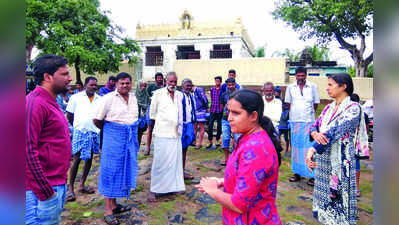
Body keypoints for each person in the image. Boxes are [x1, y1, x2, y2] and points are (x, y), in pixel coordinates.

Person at [196, 89, 282, 225]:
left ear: (253, 116)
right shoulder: (247, 138)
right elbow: (251, 178)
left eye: (236, 113)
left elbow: (239, 205)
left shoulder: (256, 147)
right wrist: (223, 181)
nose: (229, 117)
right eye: (229, 111)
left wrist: (212, 190)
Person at [305, 73, 367, 225]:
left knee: (341, 200)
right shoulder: (328, 108)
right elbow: (315, 126)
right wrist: (314, 133)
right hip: (323, 162)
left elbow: (333, 132)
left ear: (343, 86)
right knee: (324, 200)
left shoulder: (353, 109)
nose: (327, 88)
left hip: (341, 164)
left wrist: (312, 150)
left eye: (330, 85)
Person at [26, 54, 73, 224]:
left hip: (53, 186)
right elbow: (25, 151)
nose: (70, 78)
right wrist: (46, 192)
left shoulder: (51, 102)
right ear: (48, 77)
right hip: (39, 193)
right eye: (65, 74)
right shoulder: (35, 104)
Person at [93, 72, 139, 225]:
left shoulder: (133, 98)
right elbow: (97, 120)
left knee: (123, 170)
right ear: (116, 84)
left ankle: (114, 204)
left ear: (131, 83)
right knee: (110, 171)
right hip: (113, 139)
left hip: (129, 139)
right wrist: (112, 131)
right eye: (122, 83)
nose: (125, 85)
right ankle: (108, 211)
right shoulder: (107, 99)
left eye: (127, 83)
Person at [148, 72, 185, 202]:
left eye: (175, 82)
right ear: (166, 81)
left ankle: (171, 187)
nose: (173, 84)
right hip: (162, 133)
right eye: (171, 82)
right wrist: (153, 132)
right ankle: (154, 190)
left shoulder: (180, 95)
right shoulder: (158, 94)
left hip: (176, 134)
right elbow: (152, 115)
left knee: (174, 162)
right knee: (159, 162)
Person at [65, 76, 101, 202]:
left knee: (90, 158)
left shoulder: (99, 99)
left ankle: (82, 184)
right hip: (80, 132)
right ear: (85, 85)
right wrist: (78, 126)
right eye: (91, 85)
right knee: (76, 159)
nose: (94, 87)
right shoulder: (75, 98)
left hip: (94, 132)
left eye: (95, 85)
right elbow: (69, 115)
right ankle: (70, 189)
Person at [285, 66, 320, 186]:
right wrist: (296, 116)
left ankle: (311, 175)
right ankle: (297, 173)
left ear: (306, 75)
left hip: (309, 123)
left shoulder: (313, 87)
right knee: (296, 148)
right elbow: (289, 104)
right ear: (295, 76)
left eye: (302, 75)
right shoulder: (290, 87)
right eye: (298, 76)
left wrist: (308, 117)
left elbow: (315, 104)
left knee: (309, 148)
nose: (300, 78)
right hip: (295, 122)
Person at [350, 93, 370, 197]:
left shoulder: (350, 112)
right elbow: (365, 130)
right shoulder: (364, 114)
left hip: (352, 143)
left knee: (352, 164)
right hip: (357, 144)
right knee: (355, 165)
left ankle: (355, 187)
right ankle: (356, 188)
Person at [220, 77, 238, 166]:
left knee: (237, 139)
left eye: (232, 85)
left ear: (235, 84)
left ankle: (235, 159)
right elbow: (222, 107)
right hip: (225, 120)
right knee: (225, 139)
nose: (230, 86)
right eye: (229, 85)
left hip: (236, 120)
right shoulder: (224, 95)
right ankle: (227, 159)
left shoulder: (239, 94)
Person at [180, 78, 197, 180]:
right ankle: (177, 172)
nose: (189, 87)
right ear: (182, 86)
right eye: (187, 85)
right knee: (178, 149)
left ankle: (182, 170)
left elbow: (192, 110)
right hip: (181, 126)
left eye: (190, 86)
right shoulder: (179, 96)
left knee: (185, 149)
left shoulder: (190, 96)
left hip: (189, 125)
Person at [145, 72, 164, 155]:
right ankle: (148, 148)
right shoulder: (151, 87)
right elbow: (147, 96)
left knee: (160, 129)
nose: (160, 79)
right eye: (158, 78)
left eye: (161, 78)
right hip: (151, 109)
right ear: (155, 79)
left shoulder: (165, 87)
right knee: (150, 129)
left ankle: (159, 149)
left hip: (161, 110)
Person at [206, 76, 223, 149]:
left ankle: (217, 140)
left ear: (220, 82)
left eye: (218, 81)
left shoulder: (222, 90)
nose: (217, 82)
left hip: (220, 110)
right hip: (213, 110)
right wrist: (209, 108)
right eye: (216, 81)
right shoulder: (212, 89)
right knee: (210, 125)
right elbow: (212, 99)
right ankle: (210, 141)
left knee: (219, 125)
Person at [192, 83, 209, 149]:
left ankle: (199, 143)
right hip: (194, 111)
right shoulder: (192, 92)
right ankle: (193, 142)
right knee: (194, 127)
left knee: (201, 127)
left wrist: (207, 107)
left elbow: (204, 99)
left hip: (201, 110)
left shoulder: (199, 89)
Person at [136, 80, 150, 147]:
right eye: (141, 86)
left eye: (145, 86)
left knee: (140, 132)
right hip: (135, 118)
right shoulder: (134, 96)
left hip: (143, 118)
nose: (143, 87)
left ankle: (138, 146)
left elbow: (149, 104)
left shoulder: (146, 95)